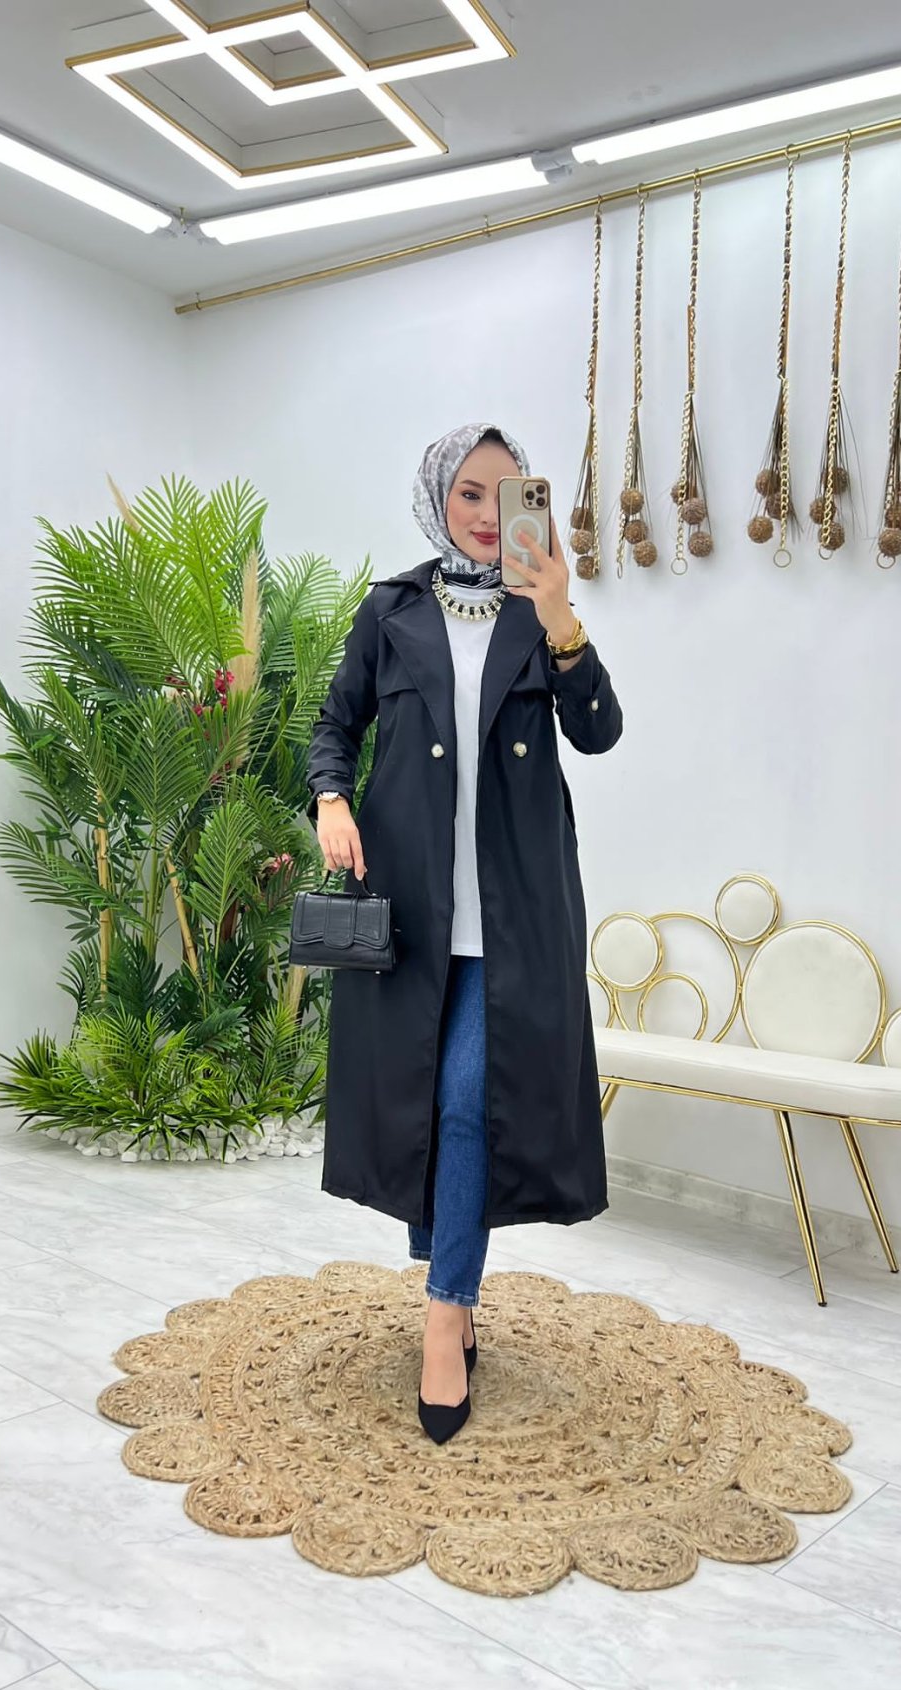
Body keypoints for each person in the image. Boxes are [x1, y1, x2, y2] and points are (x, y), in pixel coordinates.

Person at [305, 422, 624, 1444]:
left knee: (462, 1102)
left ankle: (444, 1320)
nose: (489, 514)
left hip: (514, 912)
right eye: (469, 494)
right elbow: (334, 725)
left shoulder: (541, 613)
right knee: (420, 1100)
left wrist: (561, 615)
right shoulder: (391, 610)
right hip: (409, 907)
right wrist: (330, 800)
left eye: (507, 492)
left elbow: (598, 731)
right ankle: (457, 1280)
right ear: (438, 498)